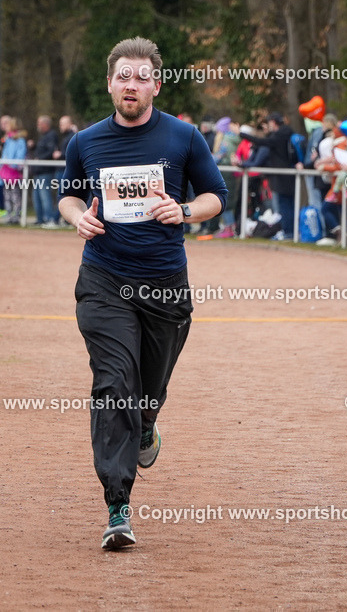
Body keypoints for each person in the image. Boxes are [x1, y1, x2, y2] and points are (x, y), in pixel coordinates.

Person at [58, 36, 227, 550]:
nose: (131, 84)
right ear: (110, 83)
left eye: (141, 77)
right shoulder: (85, 142)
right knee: (114, 385)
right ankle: (118, 506)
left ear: (156, 85)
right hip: (104, 280)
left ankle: (148, 422)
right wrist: (78, 217)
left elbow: (216, 195)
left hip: (165, 286)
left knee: (148, 391)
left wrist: (184, 210)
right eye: (122, 76)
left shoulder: (184, 137)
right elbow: (68, 195)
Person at [31, 115, 59, 227]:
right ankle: (40, 219)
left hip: (46, 171)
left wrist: (40, 159)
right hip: (38, 171)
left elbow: (51, 152)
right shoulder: (43, 136)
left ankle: (49, 219)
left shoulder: (51, 135)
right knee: (36, 196)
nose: (38, 125)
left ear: (45, 124)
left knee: (45, 196)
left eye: (39, 123)